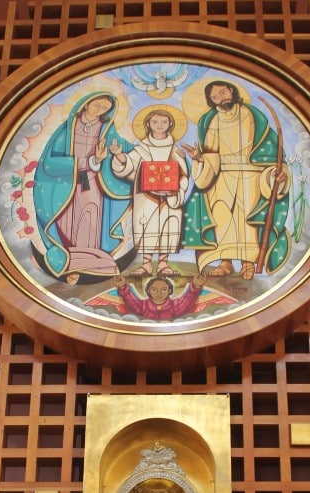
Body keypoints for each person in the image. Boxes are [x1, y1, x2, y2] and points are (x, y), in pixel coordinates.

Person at [180, 79, 290, 279]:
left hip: (252, 175)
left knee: (247, 218)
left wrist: (276, 173)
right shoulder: (212, 121)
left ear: (231, 90)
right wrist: (199, 158)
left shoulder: (254, 117)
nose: (220, 99)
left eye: (222, 93)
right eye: (214, 98)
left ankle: (248, 263)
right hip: (220, 176)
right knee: (221, 217)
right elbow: (211, 153)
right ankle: (226, 262)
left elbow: (270, 152)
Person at [33, 91, 134, 282]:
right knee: (66, 219)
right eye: (97, 105)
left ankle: (89, 258)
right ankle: (71, 260)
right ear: (86, 103)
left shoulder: (106, 129)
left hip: (93, 180)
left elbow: (124, 147)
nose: (99, 110)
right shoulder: (67, 129)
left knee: (91, 215)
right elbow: (49, 163)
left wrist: (144, 152)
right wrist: (87, 160)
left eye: (104, 108)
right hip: (66, 184)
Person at [110, 105, 190, 275]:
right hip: (147, 197)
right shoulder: (141, 149)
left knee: (168, 226)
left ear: (170, 124)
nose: (159, 125)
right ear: (148, 124)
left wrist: (177, 190)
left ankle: (163, 264)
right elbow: (128, 165)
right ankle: (146, 264)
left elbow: (183, 174)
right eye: (155, 121)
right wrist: (118, 155)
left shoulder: (175, 150)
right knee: (148, 226)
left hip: (170, 196)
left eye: (164, 121)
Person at [114, 271, 204, 321]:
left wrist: (196, 286)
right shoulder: (143, 306)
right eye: (154, 290)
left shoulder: (175, 306)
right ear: (148, 290)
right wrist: (122, 287)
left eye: (164, 289)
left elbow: (186, 302)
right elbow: (131, 302)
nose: (159, 293)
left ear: (169, 291)